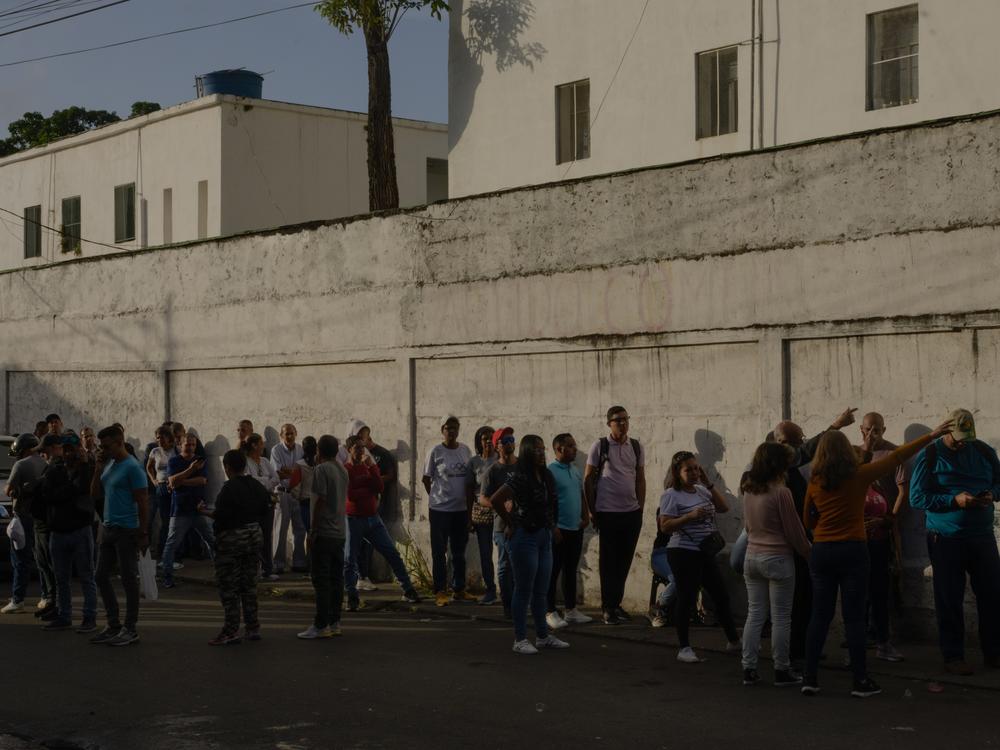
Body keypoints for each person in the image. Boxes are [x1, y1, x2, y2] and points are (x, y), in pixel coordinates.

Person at [801, 418, 952, 697]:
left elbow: (808, 521)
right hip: (853, 550)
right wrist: (930, 436)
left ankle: (810, 677)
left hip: (822, 551)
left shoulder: (815, 482)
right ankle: (860, 681)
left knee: (819, 616)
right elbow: (897, 456)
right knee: (855, 618)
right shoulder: (860, 475)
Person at [910, 409, 1000, 676]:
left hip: (982, 536)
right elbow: (917, 498)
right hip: (945, 539)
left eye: (967, 438)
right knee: (949, 598)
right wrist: (953, 501)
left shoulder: (983, 451)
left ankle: (994, 652)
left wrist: (991, 494)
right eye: (958, 438)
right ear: (946, 430)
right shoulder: (930, 455)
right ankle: (953, 656)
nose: (962, 443)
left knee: (993, 595)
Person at [773, 406, 858, 663]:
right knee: (799, 602)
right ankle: (796, 655)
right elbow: (805, 452)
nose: (802, 444)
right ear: (782, 443)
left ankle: (794, 654)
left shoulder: (777, 470)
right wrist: (835, 425)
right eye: (797, 439)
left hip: (789, 542)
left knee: (792, 605)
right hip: (791, 543)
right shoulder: (780, 465)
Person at [740, 442, 812, 687]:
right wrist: (808, 554)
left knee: (755, 613)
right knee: (782, 616)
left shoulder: (748, 489)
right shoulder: (782, 492)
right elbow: (794, 531)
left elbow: (747, 526)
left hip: (752, 556)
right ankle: (782, 669)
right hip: (778, 558)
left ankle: (748, 668)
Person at [489, 435, 570, 655]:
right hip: (524, 537)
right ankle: (520, 639)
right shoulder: (520, 477)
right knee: (523, 589)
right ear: (526, 452)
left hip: (544, 537)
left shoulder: (546, 476)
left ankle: (543, 636)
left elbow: (551, 504)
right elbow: (496, 499)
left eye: (542, 449)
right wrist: (510, 522)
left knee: (541, 591)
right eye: (536, 449)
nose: (541, 453)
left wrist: (553, 527)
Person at [659, 450, 740, 663]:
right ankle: (684, 647)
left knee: (720, 595)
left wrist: (709, 484)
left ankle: (733, 640)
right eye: (689, 470)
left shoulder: (702, 491)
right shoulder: (671, 495)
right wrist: (689, 517)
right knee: (687, 598)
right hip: (683, 552)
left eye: (696, 468)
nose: (694, 473)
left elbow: (724, 507)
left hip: (705, 551)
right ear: (678, 473)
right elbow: (665, 526)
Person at [200, 449, 271, 645]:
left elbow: (222, 516)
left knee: (229, 587)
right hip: (254, 536)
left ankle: (230, 630)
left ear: (227, 467)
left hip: (232, 539)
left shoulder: (228, 488)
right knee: (249, 585)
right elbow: (265, 509)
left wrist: (206, 512)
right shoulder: (256, 486)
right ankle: (252, 626)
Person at [342, 435, 420, 609]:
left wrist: (372, 469)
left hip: (373, 518)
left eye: (362, 447)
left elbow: (379, 487)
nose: (360, 451)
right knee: (350, 559)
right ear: (349, 450)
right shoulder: (345, 469)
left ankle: (408, 589)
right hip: (353, 519)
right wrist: (367, 488)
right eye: (357, 448)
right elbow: (351, 495)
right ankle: (352, 597)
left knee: (392, 553)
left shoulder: (368, 467)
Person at [584, 406, 645, 625]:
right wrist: (592, 510)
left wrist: (640, 508)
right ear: (609, 423)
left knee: (624, 561)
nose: (622, 423)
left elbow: (640, 478)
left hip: (631, 513)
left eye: (625, 419)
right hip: (607, 513)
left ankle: (616, 604)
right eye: (617, 420)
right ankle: (607, 607)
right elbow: (588, 479)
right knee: (608, 562)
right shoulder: (600, 446)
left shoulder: (636, 446)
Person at [89, 425, 149, 646]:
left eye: (106, 446)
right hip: (108, 528)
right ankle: (113, 624)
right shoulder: (109, 464)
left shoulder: (133, 468)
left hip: (127, 529)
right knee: (100, 575)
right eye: (101, 446)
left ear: (119, 442)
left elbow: (143, 502)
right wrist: (97, 468)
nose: (103, 450)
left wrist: (143, 533)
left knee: (128, 579)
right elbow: (95, 493)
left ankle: (130, 628)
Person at [856, 412, 908, 662]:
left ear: (884, 429)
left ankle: (881, 636)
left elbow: (902, 491)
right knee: (857, 587)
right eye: (868, 429)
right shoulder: (854, 455)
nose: (872, 434)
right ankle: (859, 635)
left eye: (877, 430)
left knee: (881, 586)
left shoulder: (894, 454)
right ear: (861, 430)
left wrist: (890, 519)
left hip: (882, 531)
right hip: (856, 533)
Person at [37, 432, 97, 632]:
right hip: (59, 532)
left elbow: (81, 488)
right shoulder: (54, 469)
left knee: (86, 576)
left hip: (80, 530)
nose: (69, 453)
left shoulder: (86, 469)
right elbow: (47, 494)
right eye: (66, 449)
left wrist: (65, 489)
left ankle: (89, 617)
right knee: (61, 578)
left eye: (73, 448)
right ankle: (64, 615)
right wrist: (67, 490)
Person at [422, 415, 475, 607]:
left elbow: (469, 481)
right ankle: (440, 591)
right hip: (440, 511)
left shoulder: (465, 450)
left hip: (460, 510)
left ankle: (459, 589)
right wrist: (438, 497)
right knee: (439, 552)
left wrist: (469, 511)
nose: (451, 431)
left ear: (458, 429)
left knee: (459, 552)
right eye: (447, 427)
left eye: (454, 427)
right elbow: (426, 479)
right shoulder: (435, 451)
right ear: (442, 430)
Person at [298, 435, 348, 639]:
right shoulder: (342, 469)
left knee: (321, 580)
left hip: (325, 531)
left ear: (319, 450)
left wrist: (313, 530)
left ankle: (321, 624)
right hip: (339, 531)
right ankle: (334, 621)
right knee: (336, 580)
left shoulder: (321, 470)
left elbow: (320, 502)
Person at [546, 433, 591, 629]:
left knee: (570, 570)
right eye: (571, 446)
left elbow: (580, 493)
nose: (575, 449)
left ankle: (571, 610)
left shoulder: (575, 469)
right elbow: (547, 502)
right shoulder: (550, 471)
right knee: (553, 570)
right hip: (559, 529)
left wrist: (586, 515)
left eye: (574, 445)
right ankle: (549, 611)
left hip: (575, 528)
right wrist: (553, 526)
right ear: (559, 449)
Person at [160, 434, 215, 589]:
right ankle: (167, 576)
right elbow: (171, 481)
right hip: (180, 509)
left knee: (211, 540)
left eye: (193, 444)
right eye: (187, 445)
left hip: (198, 508)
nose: (190, 447)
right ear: (180, 445)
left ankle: (221, 572)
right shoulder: (174, 461)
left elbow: (202, 481)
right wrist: (191, 470)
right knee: (171, 543)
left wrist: (180, 481)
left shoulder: (200, 460)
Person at [2, 433, 46, 615]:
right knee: (42, 559)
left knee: (20, 559)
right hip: (41, 517)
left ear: (25, 450)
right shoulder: (45, 464)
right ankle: (46, 596)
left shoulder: (21, 465)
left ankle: (18, 599)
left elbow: (8, 489)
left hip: (22, 516)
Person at [481, 427, 519, 616]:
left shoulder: (522, 466)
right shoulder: (492, 471)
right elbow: (483, 498)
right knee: (505, 565)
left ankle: (520, 603)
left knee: (522, 565)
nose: (509, 443)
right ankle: (508, 605)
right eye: (504, 441)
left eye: (511, 439)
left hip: (523, 525)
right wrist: (501, 505)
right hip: (502, 527)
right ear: (497, 446)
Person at [270, 423, 307, 574]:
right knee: (281, 528)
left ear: (296, 433)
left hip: (297, 493)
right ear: (281, 435)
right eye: (287, 434)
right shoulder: (276, 450)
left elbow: (304, 471)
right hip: (283, 492)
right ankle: (278, 563)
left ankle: (298, 562)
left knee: (300, 529)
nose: (290, 436)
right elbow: (278, 473)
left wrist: (289, 471)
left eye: (292, 433)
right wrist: (295, 472)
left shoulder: (300, 449)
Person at [467, 425, 497, 605]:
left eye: (491, 438)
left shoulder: (500, 460)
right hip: (481, 512)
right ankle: (491, 589)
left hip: (501, 512)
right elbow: (469, 491)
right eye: (485, 438)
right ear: (479, 441)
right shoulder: (473, 463)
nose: (488, 441)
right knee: (486, 553)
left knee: (506, 553)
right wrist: (468, 518)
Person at [243, 433, 280, 581]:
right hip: (253, 504)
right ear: (254, 445)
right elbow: (249, 480)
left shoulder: (264, 461)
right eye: (261, 443)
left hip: (267, 502)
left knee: (267, 535)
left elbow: (276, 478)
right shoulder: (246, 462)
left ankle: (267, 569)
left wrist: (263, 482)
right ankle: (254, 569)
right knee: (253, 537)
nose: (263, 446)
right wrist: (266, 481)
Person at [145, 425, 177, 561]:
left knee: (174, 520)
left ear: (169, 438)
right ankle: (162, 553)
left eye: (162, 438)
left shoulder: (176, 450)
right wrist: (153, 480)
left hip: (175, 488)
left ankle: (174, 553)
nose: (160, 441)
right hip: (161, 488)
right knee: (165, 521)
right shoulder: (155, 451)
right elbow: (149, 467)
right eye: (158, 438)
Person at [291, 436, 318, 531]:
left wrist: (297, 497)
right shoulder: (320, 464)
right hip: (319, 502)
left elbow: (294, 487)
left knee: (308, 532)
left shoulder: (299, 465)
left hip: (305, 503)